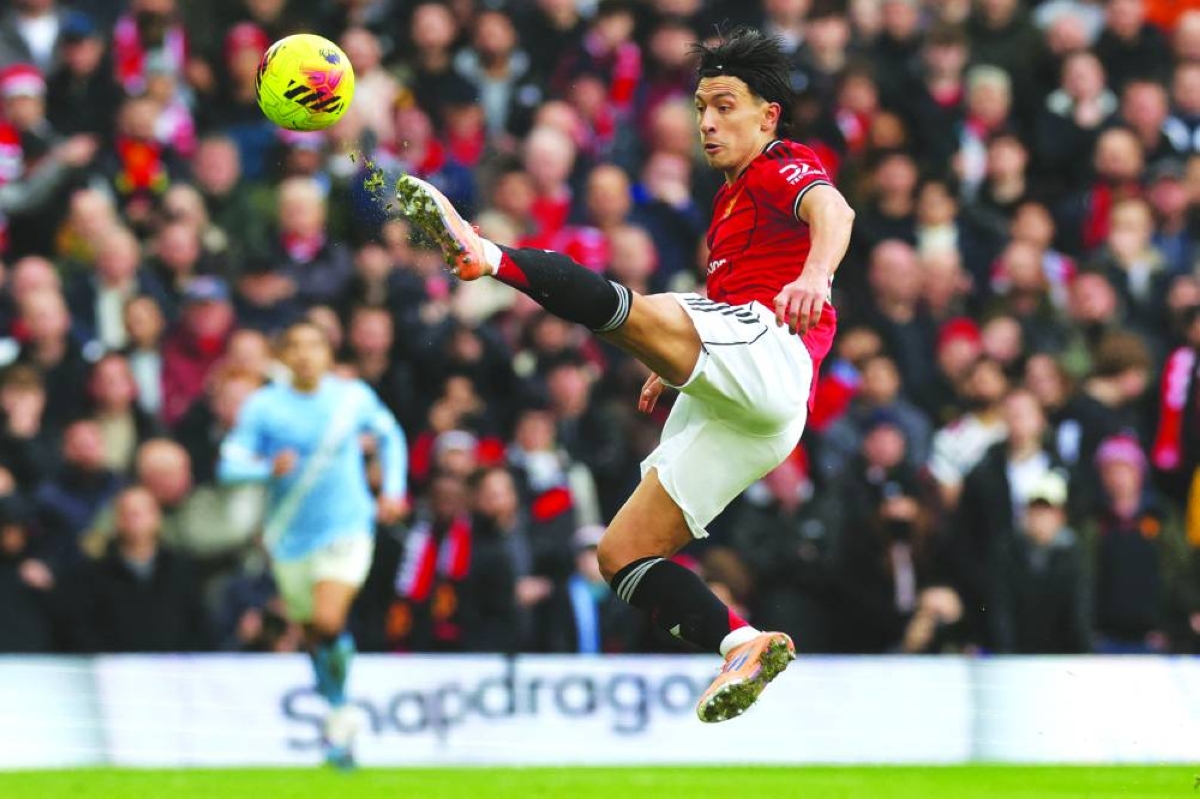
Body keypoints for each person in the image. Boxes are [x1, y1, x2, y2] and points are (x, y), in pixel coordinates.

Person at [397, 27, 855, 722]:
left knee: (633, 308)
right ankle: (741, 642)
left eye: (725, 105)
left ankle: (484, 255)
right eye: (701, 106)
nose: (706, 121)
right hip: (756, 410)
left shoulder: (779, 162)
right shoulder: (730, 201)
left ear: (767, 115)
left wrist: (817, 274)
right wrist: (682, 371)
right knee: (621, 554)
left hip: (775, 351)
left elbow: (835, 208)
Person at [217, 321, 407, 767]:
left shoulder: (351, 397)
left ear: (328, 353)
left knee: (326, 618)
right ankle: (339, 717)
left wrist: (393, 489)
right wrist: (266, 468)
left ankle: (338, 715)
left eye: (314, 346)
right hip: (289, 538)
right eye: (294, 347)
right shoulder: (264, 407)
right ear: (282, 356)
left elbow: (390, 435)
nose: (304, 355)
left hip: (347, 527)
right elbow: (229, 465)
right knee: (313, 633)